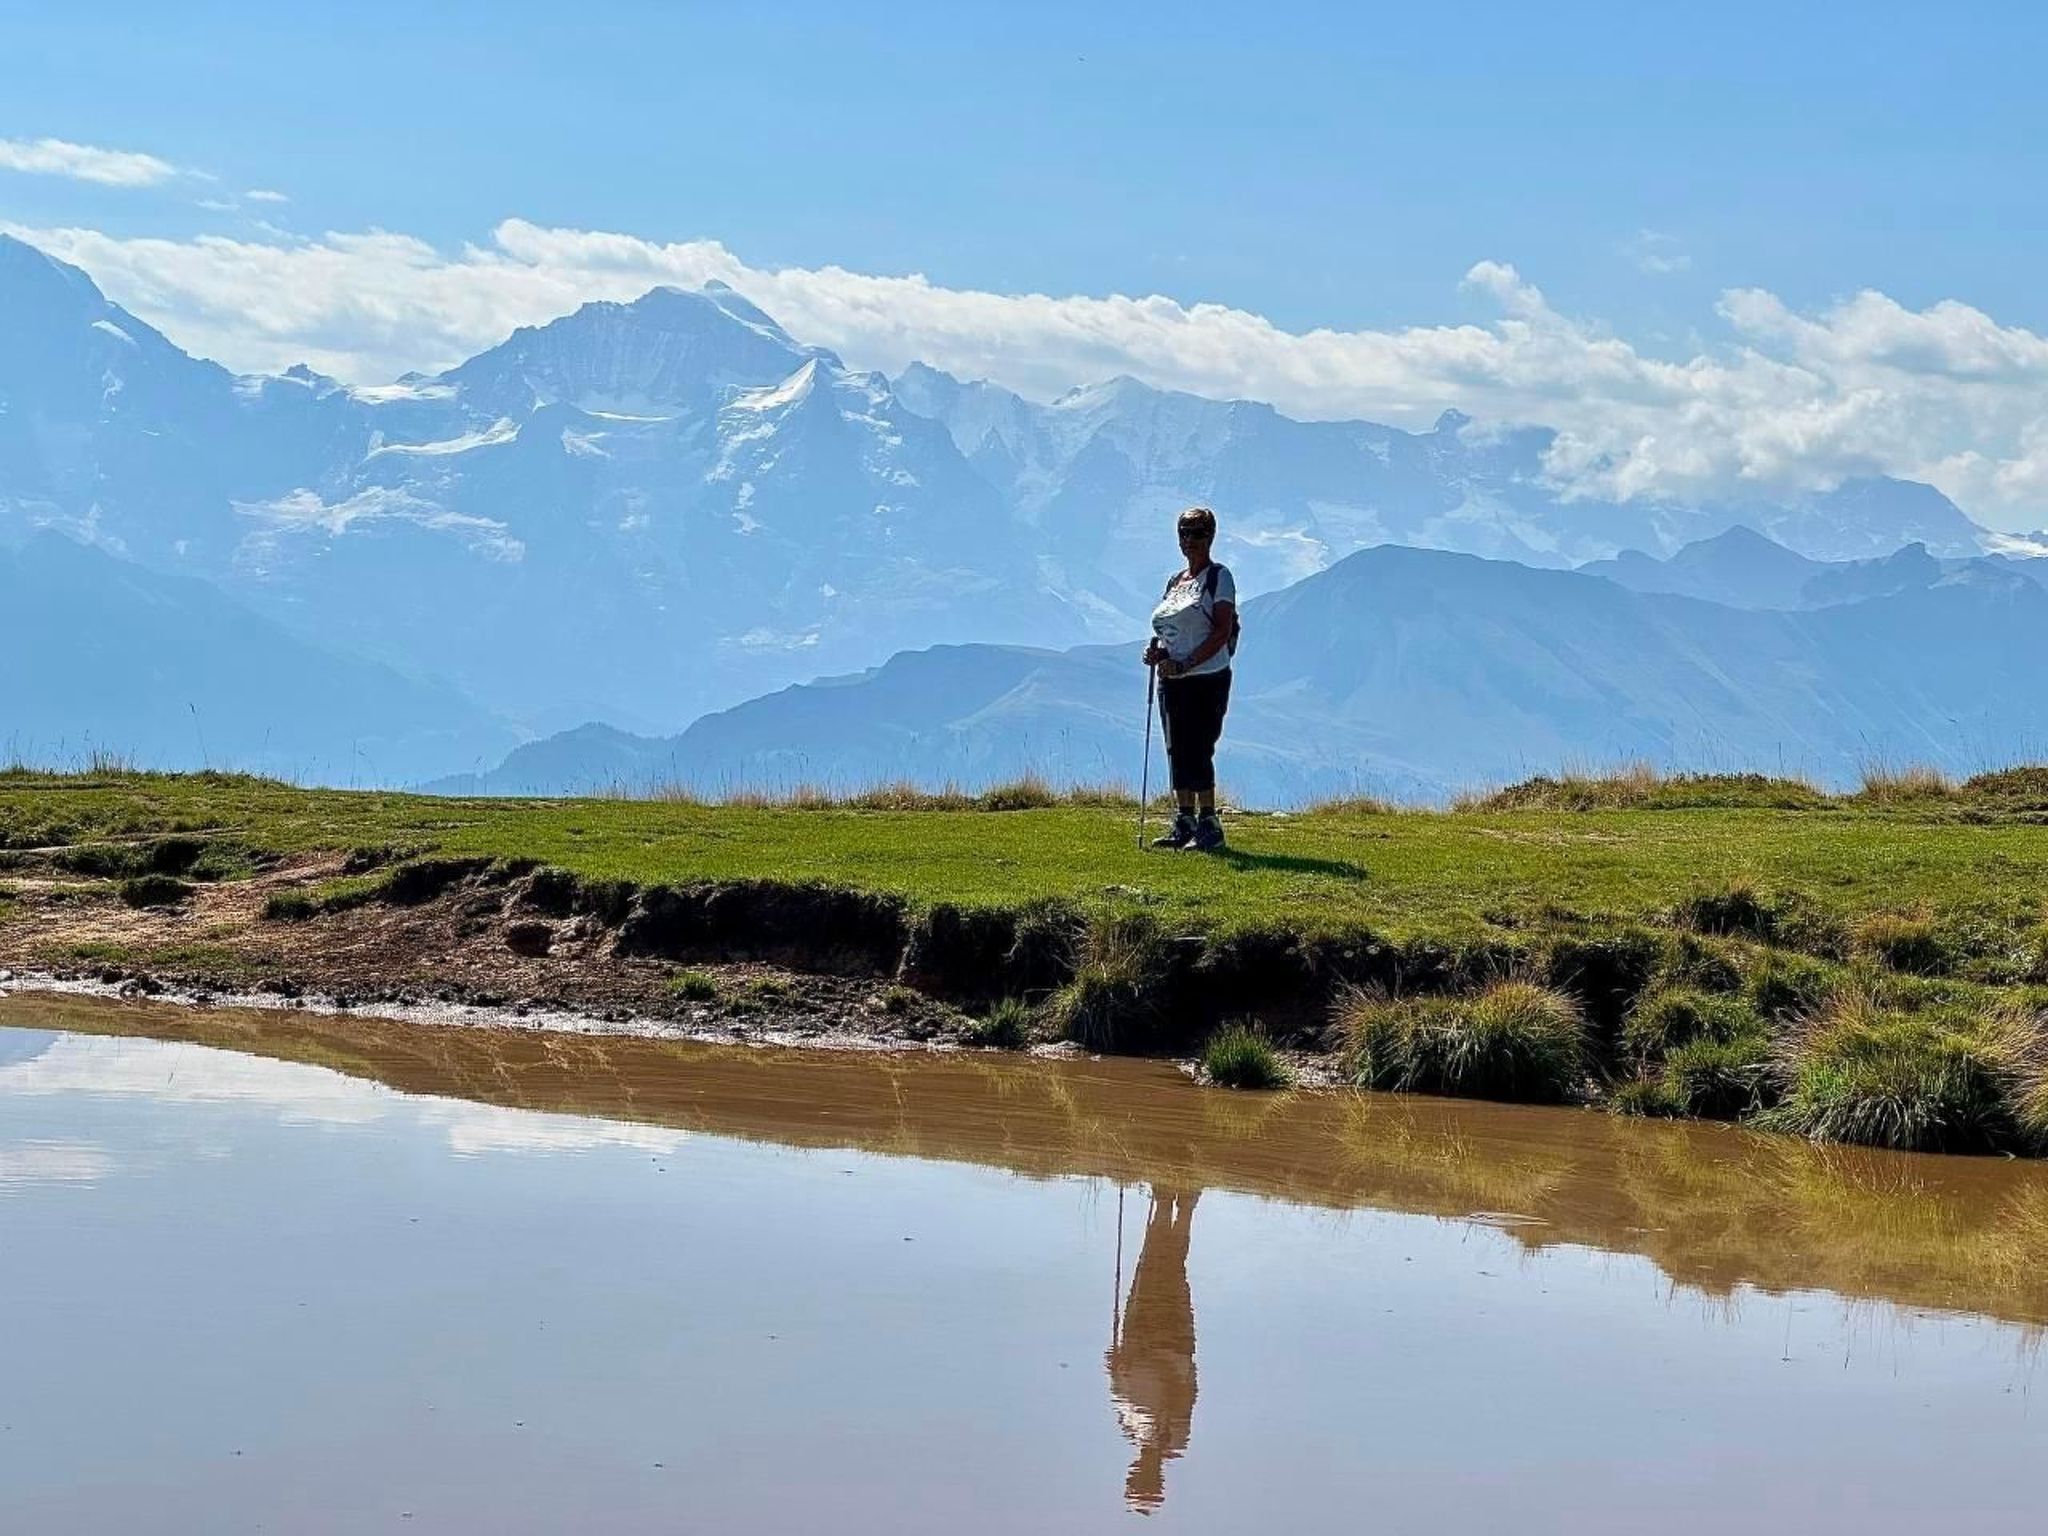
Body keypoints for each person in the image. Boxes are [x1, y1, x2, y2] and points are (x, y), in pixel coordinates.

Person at [1143, 507, 1237, 851]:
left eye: (1198, 533)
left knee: (1199, 748)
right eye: (1184, 533)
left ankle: (1210, 823)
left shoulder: (1218, 578)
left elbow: (1221, 630)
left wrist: (1187, 663)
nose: (1190, 540)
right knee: (1176, 749)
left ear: (1211, 536)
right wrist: (1160, 655)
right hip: (1173, 678)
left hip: (1207, 677)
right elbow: (1173, 630)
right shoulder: (1175, 581)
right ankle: (1185, 820)